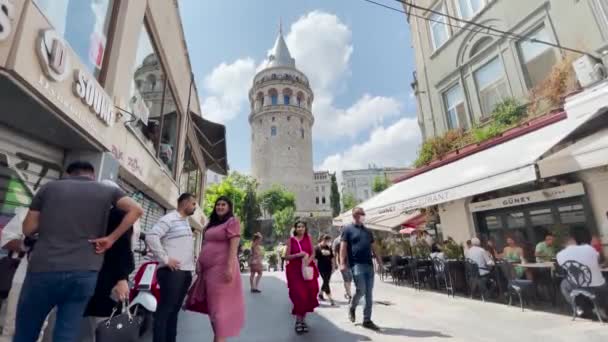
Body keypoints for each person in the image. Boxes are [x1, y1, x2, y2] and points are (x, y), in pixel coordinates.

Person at [13, 161, 143, 342]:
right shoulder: (107, 192)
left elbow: (28, 229)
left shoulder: (49, 188)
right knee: (66, 332)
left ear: (68, 174)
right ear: (92, 174)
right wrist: (110, 239)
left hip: (43, 269)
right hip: (84, 273)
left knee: (26, 330)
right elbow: (136, 209)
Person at [79, 180, 136, 342]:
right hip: (104, 278)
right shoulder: (117, 214)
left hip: (106, 278)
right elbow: (123, 248)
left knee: (100, 324)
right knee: (103, 325)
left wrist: (121, 278)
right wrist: (122, 278)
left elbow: (122, 248)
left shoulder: (116, 214)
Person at [146, 193, 197, 342]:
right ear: (185, 203)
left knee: (174, 312)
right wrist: (165, 258)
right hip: (172, 273)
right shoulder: (169, 218)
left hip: (184, 272)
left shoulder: (185, 222)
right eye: (193, 204)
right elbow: (151, 236)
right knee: (165, 312)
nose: (194, 207)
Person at [195, 196, 244, 342]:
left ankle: (219, 338)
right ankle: (219, 337)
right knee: (212, 308)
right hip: (208, 272)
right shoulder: (211, 224)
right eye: (218, 205)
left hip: (222, 271)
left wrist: (229, 267)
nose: (220, 207)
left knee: (219, 310)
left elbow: (234, 247)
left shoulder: (232, 222)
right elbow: (204, 244)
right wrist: (199, 261)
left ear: (229, 208)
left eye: (223, 205)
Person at [341, 207, 383, 331]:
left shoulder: (368, 231)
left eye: (364, 214)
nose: (364, 216)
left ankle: (367, 320)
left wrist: (380, 262)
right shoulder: (347, 229)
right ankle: (352, 306)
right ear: (355, 215)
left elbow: (374, 247)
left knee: (369, 293)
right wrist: (342, 263)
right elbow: (343, 247)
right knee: (361, 290)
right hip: (356, 264)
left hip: (369, 265)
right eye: (362, 214)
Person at [557, 234, 608, 319]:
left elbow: (565, 269)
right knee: (603, 280)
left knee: (564, 284)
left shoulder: (559, 255)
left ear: (563, 245)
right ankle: (598, 307)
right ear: (574, 240)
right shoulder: (588, 248)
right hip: (600, 286)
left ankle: (578, 307)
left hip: (580, 286)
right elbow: (599, 261)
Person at [285, 221, 319, 334]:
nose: (300, 228)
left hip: (308, 269)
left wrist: (308, 261)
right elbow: (286, 257)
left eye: (302, 226)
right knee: (299, 295)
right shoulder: (291, 241)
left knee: (310, 293)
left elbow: (313, 253)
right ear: (295, 228)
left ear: (305, 228)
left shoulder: (309, 238)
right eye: (298, 227)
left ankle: (303, 320)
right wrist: (297, 255)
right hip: (295, 271)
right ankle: (299, 321)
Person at [315, 234, 335, 305]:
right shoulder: (317, 248)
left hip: (329, 267)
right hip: (321, 267)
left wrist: (333, 266)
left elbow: (332, 257)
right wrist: (316, 268)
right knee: (326, 281)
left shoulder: (329, 247)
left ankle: (320, 294)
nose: (328, 242)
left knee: (326, 281)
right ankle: (331, 299)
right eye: (328, 241)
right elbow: (316, 259)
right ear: (324, 240)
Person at [333, 230, 352, 302]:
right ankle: (350, 295)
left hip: (349, 262)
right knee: (346, 279)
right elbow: (334, 253)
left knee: (349, 279)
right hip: (342, 263)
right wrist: (335, 264)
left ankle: (347, 292)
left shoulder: (349, 239)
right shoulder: (337, 241)